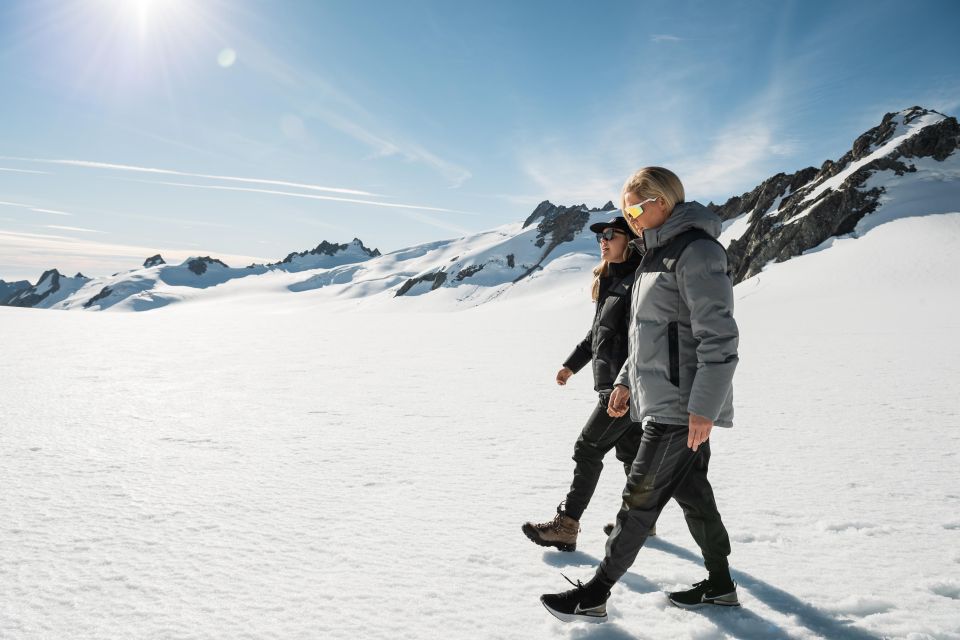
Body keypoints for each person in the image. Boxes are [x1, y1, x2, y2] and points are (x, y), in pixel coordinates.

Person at [540, 166, 740, 623]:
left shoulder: (697, 252)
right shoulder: (655, 255)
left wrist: (704, 408)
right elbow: (645, 336)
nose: (628, 217)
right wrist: (627, 382)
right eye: (626, 208)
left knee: (638, 500)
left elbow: (720, 339)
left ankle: (595, 594)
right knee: (694, 496)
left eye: (634, 207)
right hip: (661, 400)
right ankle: (721, 585)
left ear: (662, 202)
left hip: (683, 407)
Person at [522, 215, 655, 552]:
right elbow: (597, 334)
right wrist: (571, 365)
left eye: (611, 234)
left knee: (588, 448)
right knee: (629, 453)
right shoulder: (613, 280)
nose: (603, 241)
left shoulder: (639, 281)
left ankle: (566, 526)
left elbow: (645, 339)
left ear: (630, 239)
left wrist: (623, 385)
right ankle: (643, 522)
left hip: (624, 388)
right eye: (600, 237)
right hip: (616, 386)